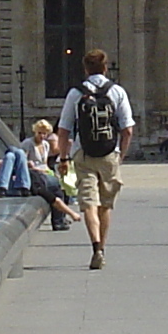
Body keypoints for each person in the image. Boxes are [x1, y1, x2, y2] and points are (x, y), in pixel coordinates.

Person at [56, 49, 134, 271]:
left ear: (85, 68)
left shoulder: (75, 93)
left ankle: (96, 247)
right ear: (105, 67)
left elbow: (64, 130)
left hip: (84, 154)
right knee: (105, 205)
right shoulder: (117, 92)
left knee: (88, 203)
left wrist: (63, 158)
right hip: (109, 153)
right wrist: (121, 155)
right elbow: (127, 129)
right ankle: (103, 247)